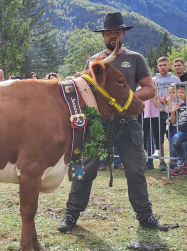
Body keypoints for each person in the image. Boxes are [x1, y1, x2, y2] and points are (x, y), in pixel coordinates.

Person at [58, 12, 168, 232]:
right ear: (103, 36)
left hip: (128, 123)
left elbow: (150, 88)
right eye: (109, 32)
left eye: (117, 31)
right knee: (83, 170)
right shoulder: (93, 61)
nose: (113, 36)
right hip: (97, 125)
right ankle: (70, 215)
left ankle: (145, 216)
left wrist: (125, 101)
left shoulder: (135, 58)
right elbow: (85, 89)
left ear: (123, 33)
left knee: (135, 171)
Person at [152, 57, 180, 171]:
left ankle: (172, 161)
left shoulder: (176, 79)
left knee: (173, 138)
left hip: (173, 112)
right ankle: (162, 162)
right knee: (159, 138)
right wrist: (159, 99)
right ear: (157, 67)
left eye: (164, 65)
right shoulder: (154, 80)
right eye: (160, 65)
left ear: (168, 65)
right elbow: (151, 96)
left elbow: (181, 93)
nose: (162, 67)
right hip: (159, 113)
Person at [171, 85, 187, 174]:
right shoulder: (178, 105)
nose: (179, 94)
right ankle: (181, 156)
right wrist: (173, 111)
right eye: (178, 92)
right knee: (175, 140)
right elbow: (173, 121)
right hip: (182, 132)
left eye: (182, 92)